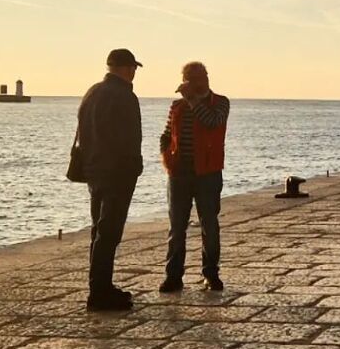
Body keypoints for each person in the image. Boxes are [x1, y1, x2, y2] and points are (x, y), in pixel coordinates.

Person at [75, 47, 144, 311]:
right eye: (133, 68)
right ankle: (99, 292)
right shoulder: (125, 96)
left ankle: (100, 286)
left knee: (99, 230)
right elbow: (131, 138)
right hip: (118, 172)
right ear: (126, 68)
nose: (134, 72)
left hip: (94, 170)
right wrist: (135, 167)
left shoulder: (92, 93)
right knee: (110, 232)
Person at [159, 61, 231, 292]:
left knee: (209, 225)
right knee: (176, 227)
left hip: (208, 173)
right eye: (188, 79)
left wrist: (192, 100)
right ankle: (173, 276)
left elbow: (212, 122)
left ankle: (211, 274)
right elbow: (167, 135)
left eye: (196, 78)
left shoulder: (220, 103)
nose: (191, 83)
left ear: (205, 79)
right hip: (179, 174)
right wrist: (167, 159)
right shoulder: (177, 106)